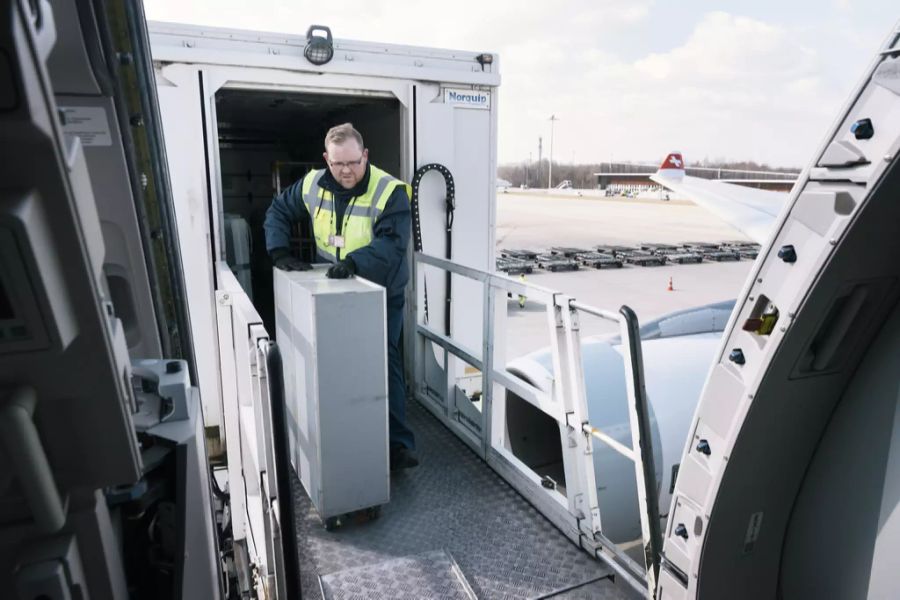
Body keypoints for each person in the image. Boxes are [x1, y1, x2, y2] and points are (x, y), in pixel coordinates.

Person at [264, 123, 418, 471]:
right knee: (331, 361)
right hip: (330, 290)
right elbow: (278, 211)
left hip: (380, 291)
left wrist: (354, 263)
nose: (346, 171)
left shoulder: (389, 190)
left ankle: (397, 444)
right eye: (338, 164)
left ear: (365, 155)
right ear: (326, 160)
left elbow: (392, 245)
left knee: (382, 358)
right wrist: (279, 250)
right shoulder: (312, 183)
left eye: (353, 162)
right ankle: (338, 433)